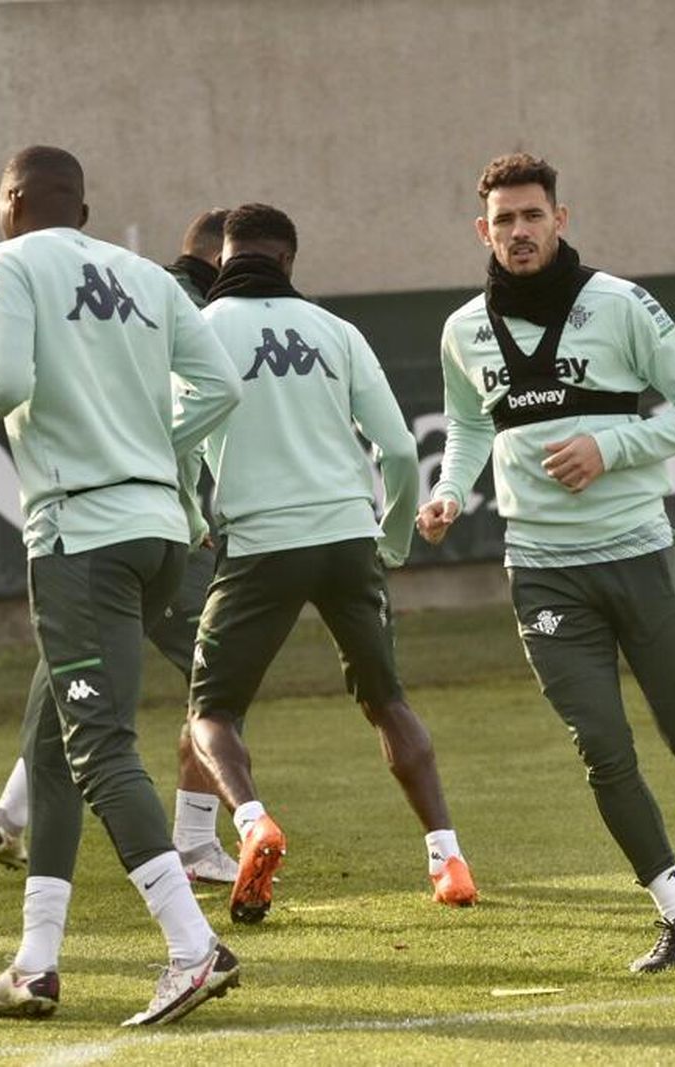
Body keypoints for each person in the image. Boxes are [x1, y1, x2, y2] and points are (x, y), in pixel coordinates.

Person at [419, 153, 675, 973]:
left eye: (533, 216)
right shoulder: (463, 329)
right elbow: (469, 427)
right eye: (504, 221)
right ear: (482, 231)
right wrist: (450, 490)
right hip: (541, 569)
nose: (519, 232)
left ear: (561, 219)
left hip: (638, 555)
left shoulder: (622, 303)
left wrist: (612, 444)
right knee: (603, 749)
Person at [0, 146, 244, 1025]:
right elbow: (217, 388)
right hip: (158, 534)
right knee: (50, 746)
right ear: (83, 210)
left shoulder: (5, 262)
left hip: (79, 537)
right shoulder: (146, 274)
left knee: (97, 747)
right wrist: (153, 457)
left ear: (12, 201)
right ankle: (35, 964)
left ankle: (192, 946)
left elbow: (6, 380)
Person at [186, 203, 478, 923]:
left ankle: (253, 821)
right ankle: (448, 857)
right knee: (387, 699)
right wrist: (394, 540)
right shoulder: (337, 331)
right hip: (349, 539)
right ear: (288, 261)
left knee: (211, 711)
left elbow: (176, 437)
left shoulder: (200, 330)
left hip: (260, 542)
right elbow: (402, 451)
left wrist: (194, 518)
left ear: (224, 261)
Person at [0, 207, 241, 885]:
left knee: (72, 671)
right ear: (221, 263)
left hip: (94, 524)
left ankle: (8, 816)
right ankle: (195, 843)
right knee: (219, 674)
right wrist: (185, 506)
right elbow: (178, 413)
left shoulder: (136, 294)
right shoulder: (182, 308)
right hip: (157, 525)